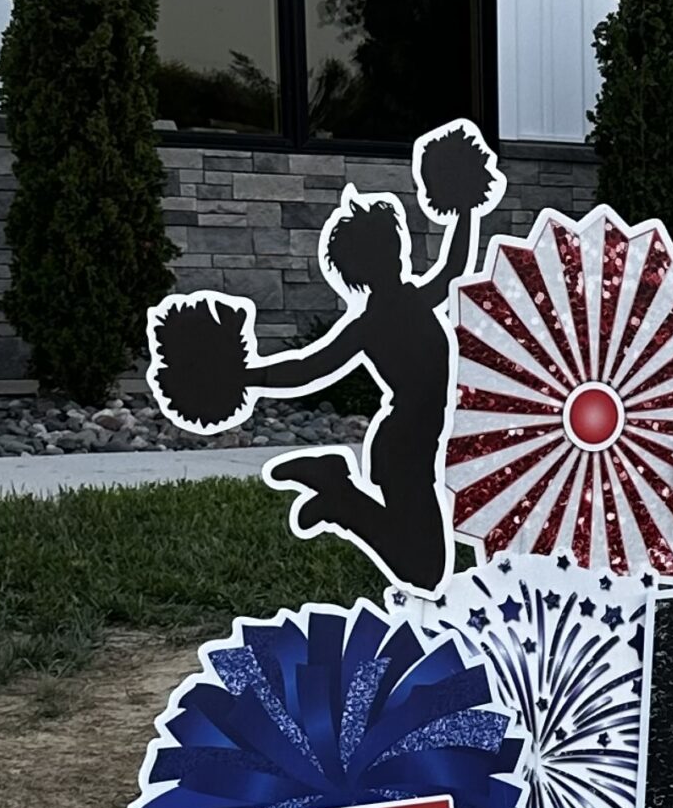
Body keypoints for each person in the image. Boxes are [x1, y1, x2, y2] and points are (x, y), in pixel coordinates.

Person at [147, 121, 503, 591]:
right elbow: (309, 368)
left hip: (413, 440)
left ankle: (337, 494)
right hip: (405, 445)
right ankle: (339, 497)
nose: (399, 249)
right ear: (385, 256)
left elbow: (455, 264)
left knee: (422, 564)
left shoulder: (409, 303)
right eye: (391, 244)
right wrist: (249, 376)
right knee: (425, 569)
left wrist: (465, 206)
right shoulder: (380, 320)